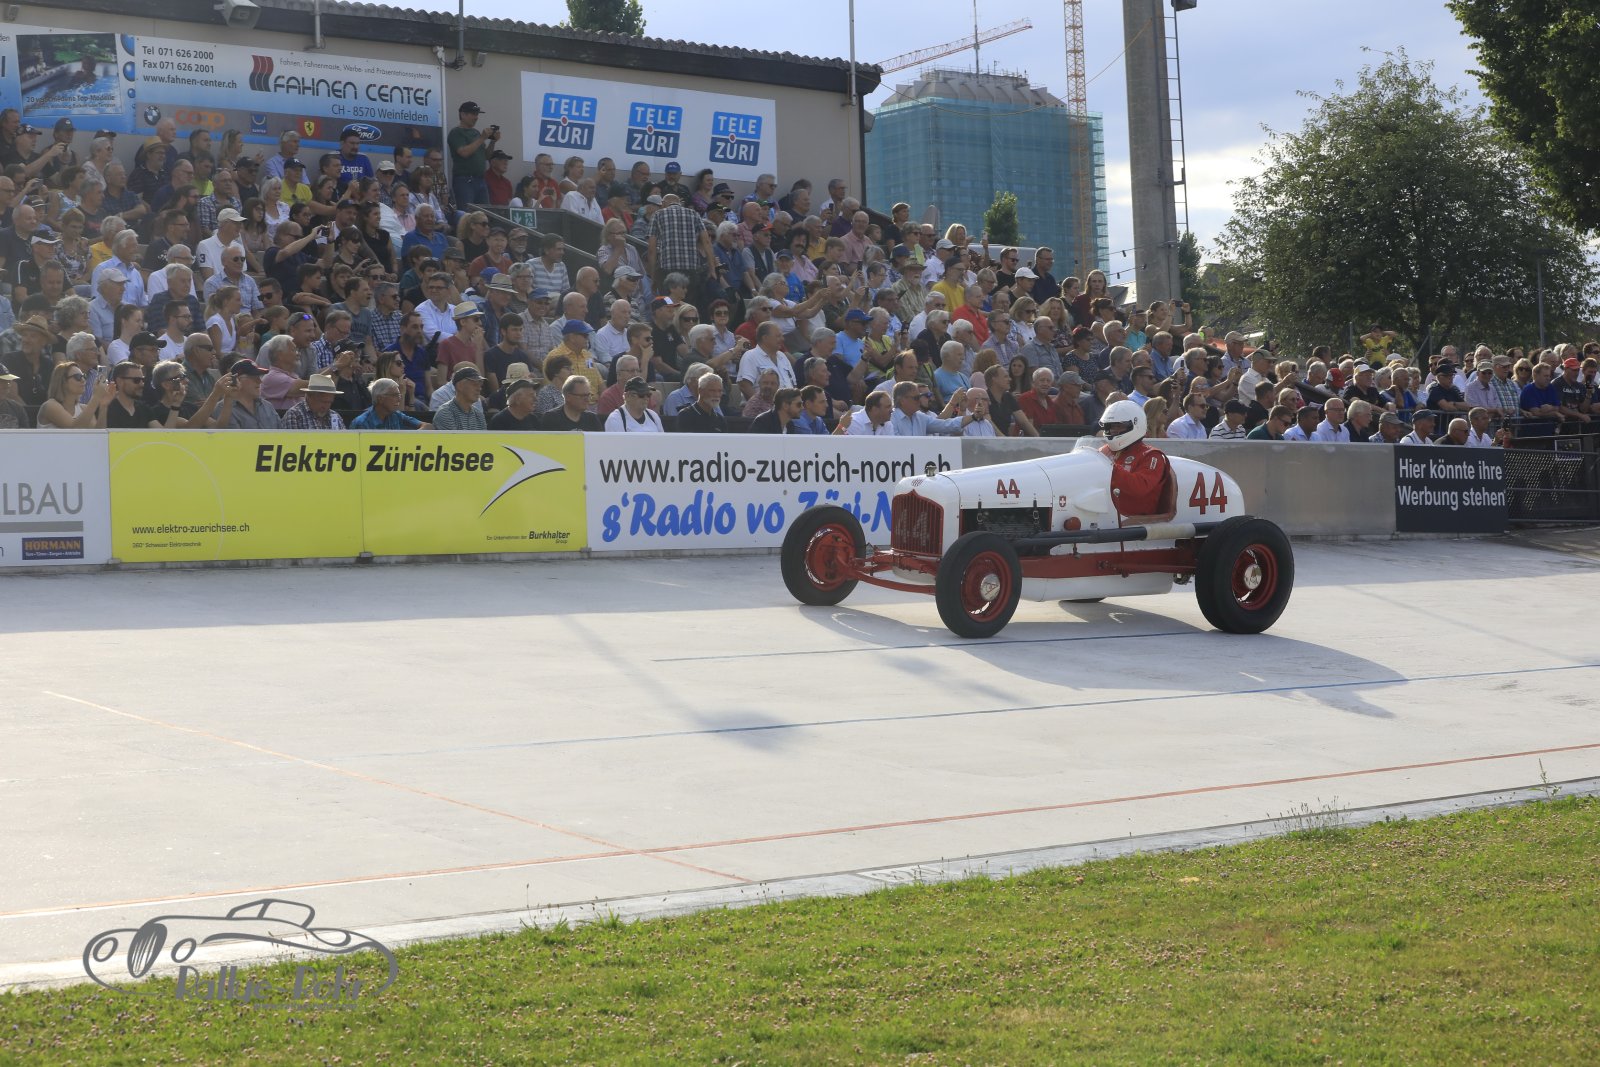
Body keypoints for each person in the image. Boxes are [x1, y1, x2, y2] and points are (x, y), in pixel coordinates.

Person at [1098, 398, 1172, 519]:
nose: (1113, 430)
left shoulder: (1152, 456)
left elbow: (1140, 488)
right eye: (1109, 427)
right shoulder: (1104, 451)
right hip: (1103, 515)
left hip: (1134, 522)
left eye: (1118, 426)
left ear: (1135, 425)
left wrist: (1110, 468)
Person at [280, 373, 347, 430]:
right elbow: (292, 441)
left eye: (329, 402)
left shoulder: (335, 416)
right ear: (309, 396)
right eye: (323, 401)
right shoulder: (295, 415)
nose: (326, 406)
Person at [432, 364, 487, 430]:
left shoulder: (479, 415)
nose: (479, 389)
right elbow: (452, 437)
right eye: (474, 384)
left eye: (480, 385)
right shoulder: (445, 413)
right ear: (460, 386)